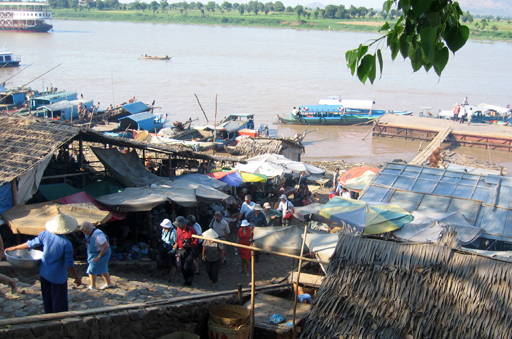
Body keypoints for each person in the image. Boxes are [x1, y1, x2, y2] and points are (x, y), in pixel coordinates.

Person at [5, 213, 82, 314]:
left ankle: (48, 316)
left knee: (47, 298)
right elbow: (69, 264)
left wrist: (15, 247)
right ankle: (59, 320)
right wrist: (76, 277)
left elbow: (30, 244)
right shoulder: (66, 244)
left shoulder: (45, 234)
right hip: (57, 277)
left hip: (44, 273)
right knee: (59, 303)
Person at [80, 222, 113, 290]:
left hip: (102, 254)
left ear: (89, 230)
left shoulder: (98, 236)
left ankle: (93, 286)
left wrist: (99, 256)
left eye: (85, 231)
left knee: (91, 270)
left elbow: (106, 246)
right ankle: (109, 283)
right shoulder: (89, 233)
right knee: (103, 269)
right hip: (93, 253)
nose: (84, 233)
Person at [174, 216, 198, 286]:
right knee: (181, 266)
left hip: (190, 250)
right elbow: (178, 238)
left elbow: (196, 241)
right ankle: (186, 280)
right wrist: (176, 243)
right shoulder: (178, 230)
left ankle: (191, 275)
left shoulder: (191, 230)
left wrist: (190, 245)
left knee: (187, 265)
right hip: (181, 250)